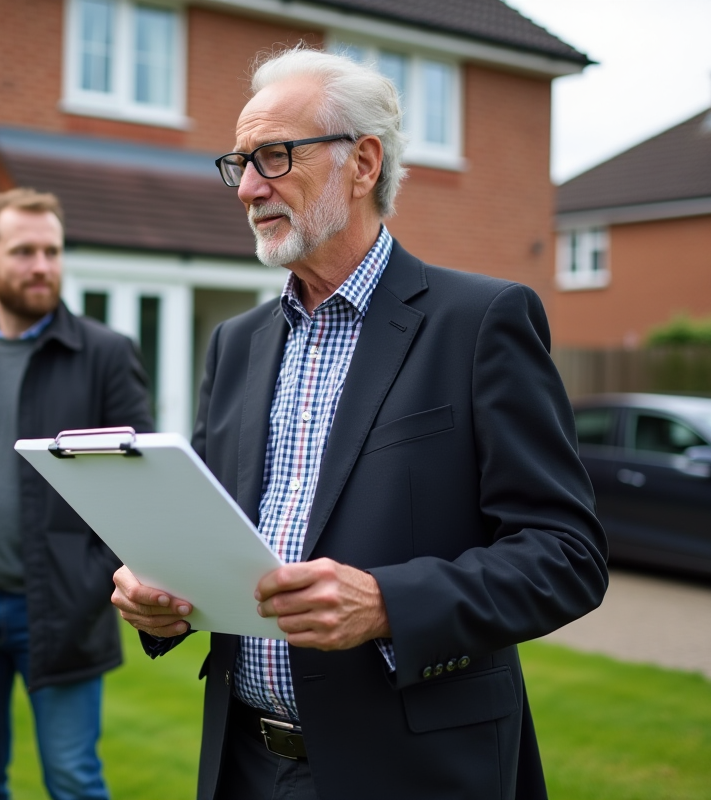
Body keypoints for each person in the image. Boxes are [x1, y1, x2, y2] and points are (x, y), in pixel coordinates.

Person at [111, 48, 608, 800]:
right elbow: (219, 536)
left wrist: (386, 605)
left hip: (412, 772)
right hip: (244, 765)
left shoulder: (480, 322)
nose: (247, 187)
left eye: (274, 156)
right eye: (239, 163)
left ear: (363, 163)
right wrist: (163, 597)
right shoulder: (237, 344)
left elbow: (566, 555)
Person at [0, 188, 153, 800]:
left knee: (73, 779)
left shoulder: (105, 355)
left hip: (60, 608)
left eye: (52, 251)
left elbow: (141, 483)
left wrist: (93, 577)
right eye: (23, 251)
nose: (41, 266)